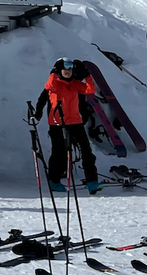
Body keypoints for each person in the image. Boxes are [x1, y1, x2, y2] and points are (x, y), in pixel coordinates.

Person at [36, 58, 100, 194]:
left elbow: (90, 89)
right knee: (58, 154)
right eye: (64, 69)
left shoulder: (76, 84)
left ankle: (92, 182)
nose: (67, 72)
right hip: (57, 124)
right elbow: (49, 86)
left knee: (87, 152)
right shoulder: (53, 85)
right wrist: (53, 72)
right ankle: (54, 181)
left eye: (70, 69)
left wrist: (87, 76)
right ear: (59, 71)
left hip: (75, 122)